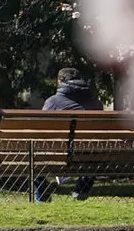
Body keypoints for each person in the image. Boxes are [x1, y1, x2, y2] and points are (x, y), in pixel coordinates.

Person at [39, 66, 103, 201]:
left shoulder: (53, 102)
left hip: (58, 154)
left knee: (32, 158)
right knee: (91, 155)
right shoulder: (96, 103)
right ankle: (82, 190)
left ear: (59, 82)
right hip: (88, 154)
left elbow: (42, 130)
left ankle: (42, 196)